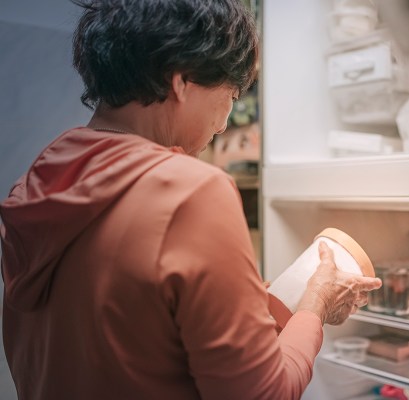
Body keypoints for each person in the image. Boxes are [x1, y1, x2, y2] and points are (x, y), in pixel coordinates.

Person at [0, 1, 382, 399]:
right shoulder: (192, 190)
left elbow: (134, 325)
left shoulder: (39, 181)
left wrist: (257, 301)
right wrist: (316, 305)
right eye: (232, 94)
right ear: (182, 80)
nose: (224, 123)